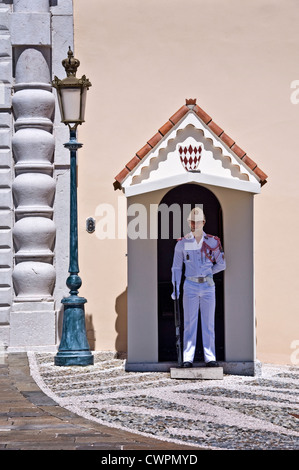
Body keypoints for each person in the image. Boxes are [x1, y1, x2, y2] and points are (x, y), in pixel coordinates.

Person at [171, 206, 226, 368]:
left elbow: (222, 264)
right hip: (190, 285)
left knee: (209, 322)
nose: (195, 224)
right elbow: (176, 268)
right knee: (189, 322)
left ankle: (210, 357)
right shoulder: (182, 243)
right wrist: (176, 288)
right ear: (189, 223)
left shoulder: (213, 241)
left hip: (208, 285)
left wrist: (209, 273)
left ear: (204, 222)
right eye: (192, 222)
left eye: (198, 222)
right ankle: (188, 358)